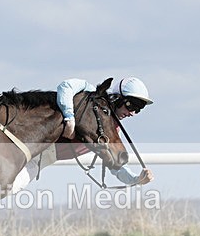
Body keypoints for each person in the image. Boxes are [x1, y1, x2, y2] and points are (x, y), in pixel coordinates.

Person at [12, 77, 154, 192]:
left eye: (138, 110)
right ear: (117, 98)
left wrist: (136, 179)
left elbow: (117, 168)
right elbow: (66, 86)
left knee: (10, 188)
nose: (132, 113)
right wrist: (69, 118)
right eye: (131, 106)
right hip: (28, 139)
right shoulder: (90, 94)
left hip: (40, 160)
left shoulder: (111, 133)